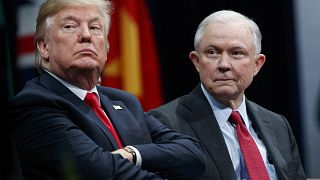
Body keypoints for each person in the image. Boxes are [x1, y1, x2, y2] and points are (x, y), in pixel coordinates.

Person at [9, 0, 206, 179]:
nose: (86, 35)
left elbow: (193, 154)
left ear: (107, 48)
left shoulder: (125, 102)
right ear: (44, 47)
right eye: (70, 26)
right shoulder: (35, 103)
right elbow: (100, 171)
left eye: (95, 28)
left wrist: (132, 154)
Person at [149, 10, 306, 180]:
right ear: (196, 61)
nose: (224, 64)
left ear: (257, 64)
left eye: (236, 53)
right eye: (212, 52)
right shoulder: (165, 123)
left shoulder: (278, 126)